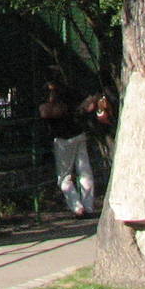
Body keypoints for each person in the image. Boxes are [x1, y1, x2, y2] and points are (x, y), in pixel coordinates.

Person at [38, 80, 96, 217]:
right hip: (78, 134)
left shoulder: (52, 104)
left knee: (64, 178)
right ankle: (88, 206)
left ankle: (77, 207)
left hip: (63, 139)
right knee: (84, 172)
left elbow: (45, 113)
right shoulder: (68, 97)